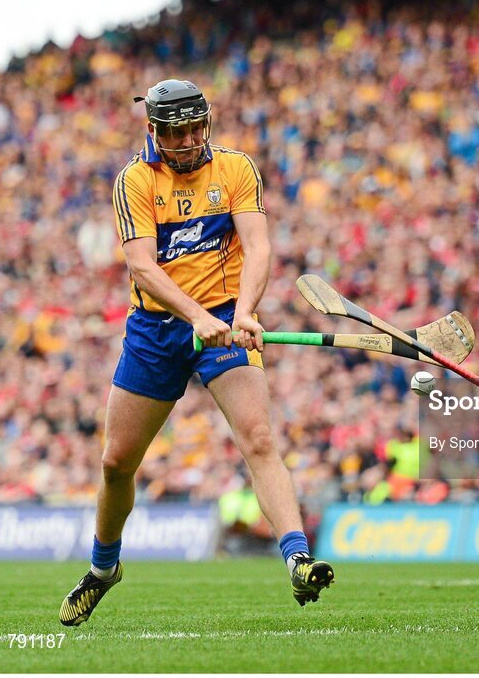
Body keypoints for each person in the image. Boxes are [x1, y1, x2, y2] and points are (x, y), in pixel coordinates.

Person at [59, 79, 334, 627]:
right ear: (153, 131)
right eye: (174, 132)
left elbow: (257, 245)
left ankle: (297, 559)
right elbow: (143, 267)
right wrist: (197, 317)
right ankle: (104, 568)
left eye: (193, 129)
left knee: (258, 438)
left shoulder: (235, 168)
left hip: (226, 322)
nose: (186, 141)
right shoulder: (134, 181)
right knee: (116, 463)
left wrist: (245, 312)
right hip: (157, 331)